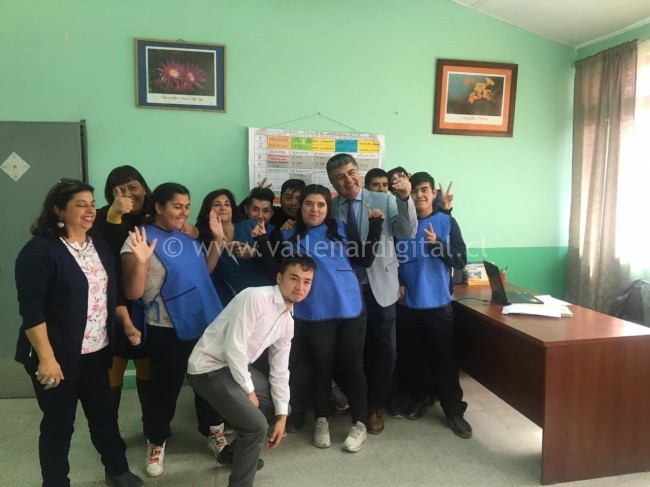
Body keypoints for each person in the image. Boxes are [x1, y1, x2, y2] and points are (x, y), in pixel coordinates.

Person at [14, 178, 143, 487]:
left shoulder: (97, 244)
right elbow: (32, 311)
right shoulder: (40, 251)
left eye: (91, 204)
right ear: (59, 210)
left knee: (104, 416)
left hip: (96, 351)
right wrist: (47, 359)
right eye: (80, 205)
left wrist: (126, 324)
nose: (90, 210)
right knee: (59, 425)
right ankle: (55, 482)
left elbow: (109, 293)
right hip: (56, 357)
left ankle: (117, 469)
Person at [260, 184, 385, 451]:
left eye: (320, 204)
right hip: (314, 312)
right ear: (300, 207)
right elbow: (274, 272)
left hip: (350, 308)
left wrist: (375, 227)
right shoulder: (287, 235)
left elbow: (364, 259)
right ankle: (321, 419)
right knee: (321, 367)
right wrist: (261, 241)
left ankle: (360, 423)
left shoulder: (341, 229)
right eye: (308, 203)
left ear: (328, 208)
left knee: (353, 366)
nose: (314, 209)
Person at [121, 182, 226, 477]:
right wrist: (141, 262)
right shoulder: (138, 240)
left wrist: (218, 240)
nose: (184, 212)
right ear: (158, 207)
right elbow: (132, 292)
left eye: (187, 206)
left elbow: (203, 272)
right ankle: (156, 440)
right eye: (177, 206)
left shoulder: (186, 237)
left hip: (203, 322)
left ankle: (213, 431)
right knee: (164, 389)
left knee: (209, 383)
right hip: (166, 328)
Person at [187, 256, 316, 487]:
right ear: (279, 278)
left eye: (307, 282)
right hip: (208, 368)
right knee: (257, 426)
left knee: (280, 407)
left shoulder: (287, 321)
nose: (300, 286)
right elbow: (233, 347)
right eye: (294, 278)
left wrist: (282, 417)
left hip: (234, 367)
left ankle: (232, 455)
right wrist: (249, 391)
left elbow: (280, 369)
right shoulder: (255, 297)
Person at [326, 153, 417, 435]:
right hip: (347, 291)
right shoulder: (330, 207)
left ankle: (374, 405)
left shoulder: (384, 199)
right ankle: (358, 403)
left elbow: (407, 231)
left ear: (359, 172)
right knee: (352, 353)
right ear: (332, 183)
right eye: (339, 177)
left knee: (386, 351)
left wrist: (405, 198)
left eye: (351, 172)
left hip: (381, 288)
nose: (347, 180)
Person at [394, 171, 471, 439]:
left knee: (445, 360)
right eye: (414, 191)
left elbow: (460, 260)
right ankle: (420, 398)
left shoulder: (446, 222)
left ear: (433, 194)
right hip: (408, 304)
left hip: (438, 303)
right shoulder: (400, 224)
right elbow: (391, 259)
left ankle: (454, 411)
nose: (419, 195)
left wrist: (437, 244)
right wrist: (398, 282)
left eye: (424, 190)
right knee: (413, 358)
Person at [93, 165, 154, 429]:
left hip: (147, 301)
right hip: (112, 299)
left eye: (133, 187)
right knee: (114, 363)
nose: (128, 194)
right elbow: (108, 249)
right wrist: (115, 214)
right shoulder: (101, 216)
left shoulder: (153, 215)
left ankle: (151, 425)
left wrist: (191, 230)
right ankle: (109, 428)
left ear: (144, 189)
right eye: (119, 190)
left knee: (146, 362)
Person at [196, 189, 274, 306]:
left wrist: (254, 253)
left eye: (227, 204)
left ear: (232, 209)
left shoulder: (250, 225)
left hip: (269, 292)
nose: (223, 208)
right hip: (242, 301)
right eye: (217, 205)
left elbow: (272, 260)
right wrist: (220, 242)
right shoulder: (206, 239)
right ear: (207, 212)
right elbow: (206, 271)